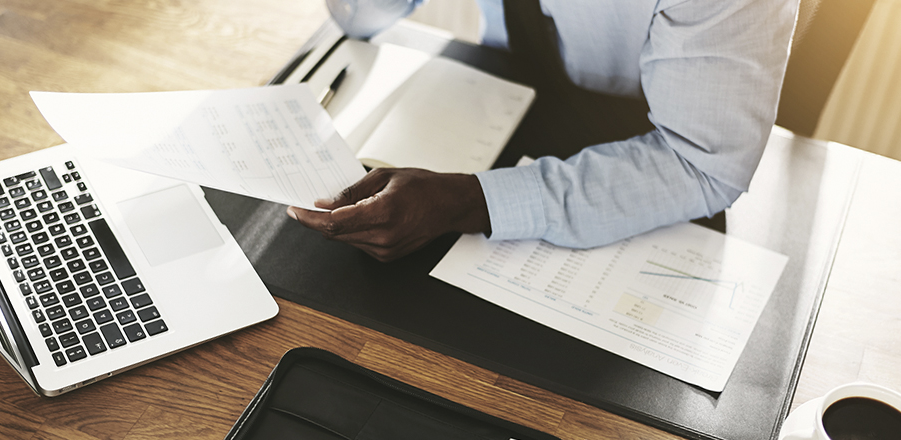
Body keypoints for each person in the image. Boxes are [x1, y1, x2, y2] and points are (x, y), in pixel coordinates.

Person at [287, 0, 798, 262]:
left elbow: (702, 163)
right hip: (499, 94)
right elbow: (358, 17)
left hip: (648, 153)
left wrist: (470, 202)